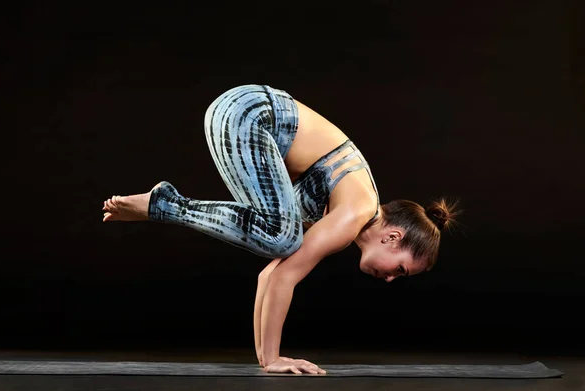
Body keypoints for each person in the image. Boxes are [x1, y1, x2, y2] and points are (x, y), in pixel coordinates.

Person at [101, 84, 459, 375]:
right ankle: (165, 204)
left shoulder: (344, 212)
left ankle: (164, 204)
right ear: (392, 236)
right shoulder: (355, 213)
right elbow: (286, 278)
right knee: (283, 237)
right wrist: (275, 359)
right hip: (251, 113)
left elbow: (270, 276)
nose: (392, 279)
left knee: (281, 242)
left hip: (237, 112)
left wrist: (265, 359)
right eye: (399, 269)